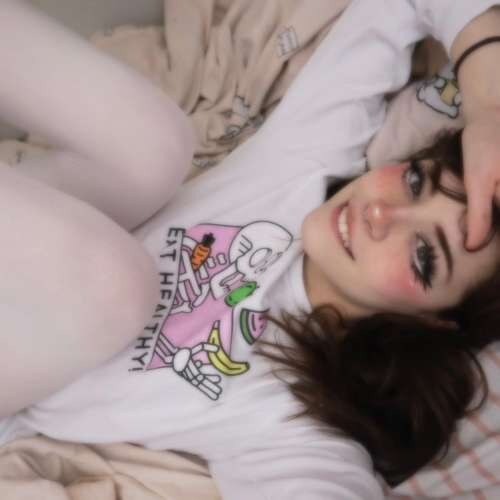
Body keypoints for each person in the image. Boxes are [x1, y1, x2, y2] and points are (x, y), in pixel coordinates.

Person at [1, 0, 500, 498]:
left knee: (118, 286)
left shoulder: (299, 419)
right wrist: (488, 107)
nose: (380, 213)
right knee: (157, 145)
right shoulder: (309, 160)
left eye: (423, 256)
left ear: (439, 322)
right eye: (415, 182)